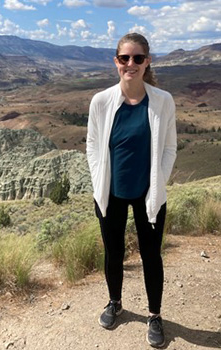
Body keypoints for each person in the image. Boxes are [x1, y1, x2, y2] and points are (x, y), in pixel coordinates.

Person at [86, 33, 177, 348]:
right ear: (116, 61)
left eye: (138, 58)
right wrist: (99, 182)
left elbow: (169, 148)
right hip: (110, 192)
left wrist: (158, 182)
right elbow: (93, 146)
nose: (131, 64)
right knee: (113, 252)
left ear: (147, 61)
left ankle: (154, 315)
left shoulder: (162, 100)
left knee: (151, 255)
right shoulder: (101, 101)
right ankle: (115, 302)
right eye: (124, 58)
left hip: (148, 194)